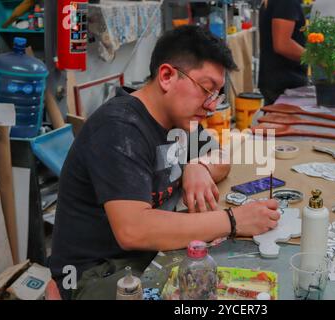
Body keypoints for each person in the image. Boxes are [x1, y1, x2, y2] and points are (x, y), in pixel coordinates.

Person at [49, 25, 280, 300]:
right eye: (207, 90)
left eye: (216, 95)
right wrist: (233, 220)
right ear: (167, 76)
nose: (211, 105)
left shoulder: (180, 120)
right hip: (97, 273)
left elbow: (222, 158)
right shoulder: (120, 129)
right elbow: (134, 230)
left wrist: (199, 166)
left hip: (148, 254)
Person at [258, 0, 308, 105]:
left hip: (276, 79)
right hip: (285, 83)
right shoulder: (286, 2)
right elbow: (283, 45)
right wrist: (317, 59)